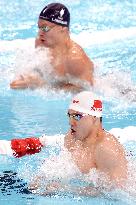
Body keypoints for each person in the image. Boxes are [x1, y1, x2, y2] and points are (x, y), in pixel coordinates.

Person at [0, 91, 128, 196]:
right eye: (69, 116)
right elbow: (66, 167)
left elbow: (115, 193)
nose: (71, 122)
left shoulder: (106, 150)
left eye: (77, 116)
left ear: (94, 118)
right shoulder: (71, 138)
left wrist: (65, 189)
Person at [10, 3, 94, 92]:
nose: (40, 33)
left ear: (63, 28)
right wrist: (27, 80)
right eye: (39, 28)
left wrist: (41, 85)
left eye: (45, 28)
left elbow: (86, 89)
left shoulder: (76, 60)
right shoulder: (41, 42)